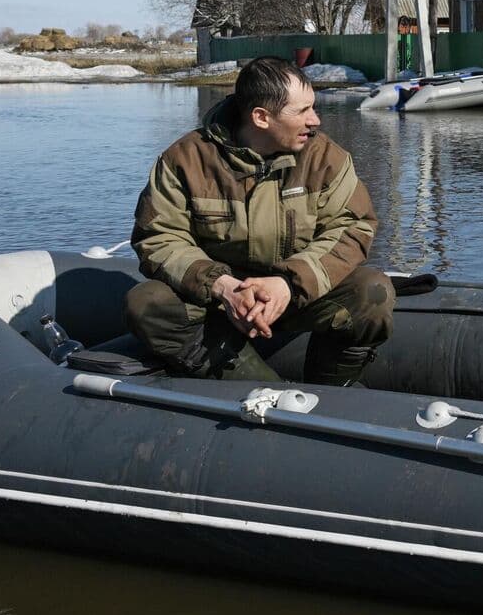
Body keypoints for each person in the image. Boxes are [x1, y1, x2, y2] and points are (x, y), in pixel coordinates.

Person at [125, 56, 393, 384]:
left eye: (314, 107)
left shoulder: (327, 159)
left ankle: (332, 393)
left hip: (299, 295)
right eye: (303, 111)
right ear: (261, 117)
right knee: (147, 302)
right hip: (219, 304)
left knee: (373, 290)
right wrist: (223, 287)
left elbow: (353, 226)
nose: (316, 120)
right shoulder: (184, 160)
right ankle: (262, 389)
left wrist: (288, 284)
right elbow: (157, 236)